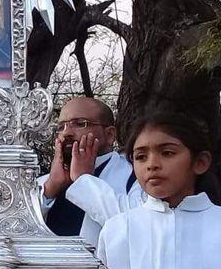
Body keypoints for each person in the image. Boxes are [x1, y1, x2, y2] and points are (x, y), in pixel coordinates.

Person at [97, 111, 221, 269]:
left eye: (167, 153)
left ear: (200, 162)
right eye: (141, 157)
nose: (152, 165)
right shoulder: (118, 230)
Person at [38, 97, 143, 247]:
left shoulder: (136, 176)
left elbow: (137, 227)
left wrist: (84, 181)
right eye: (61, 127)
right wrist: (50, 189)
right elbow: (12, 230)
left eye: (80, 124)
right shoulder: (43, 184)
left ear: (110, 135)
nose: (67, 133)